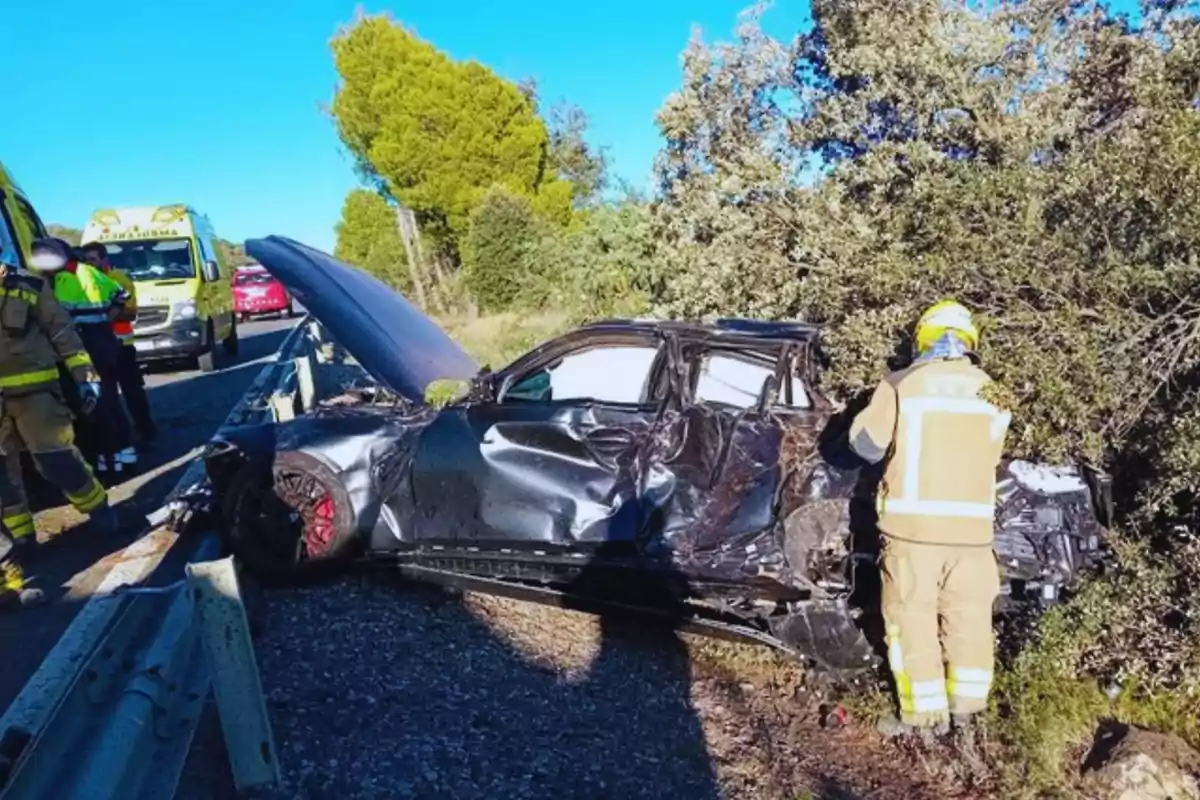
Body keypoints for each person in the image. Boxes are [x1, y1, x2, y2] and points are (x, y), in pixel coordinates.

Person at [847, 300, 1010, 739]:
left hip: (913, 533)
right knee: (969, 618)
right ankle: (968, 710)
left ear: (922, 338)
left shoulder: (902, 385)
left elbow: (865, 445)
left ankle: (921, 715)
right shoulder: (998, 392)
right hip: (975, 535)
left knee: (911, 618)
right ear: (972, 342)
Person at [0, 248, 121, 609]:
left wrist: (85, 377)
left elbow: (63, 333)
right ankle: (22, 542)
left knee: (56, 461)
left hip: (37, 395)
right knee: (2, 479)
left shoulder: (29, 285)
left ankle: (100, 512)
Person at [29, 238, 135, 476]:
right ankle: (123, 456)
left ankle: (110, 463)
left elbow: (56, 318)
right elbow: (121, 295)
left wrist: (88, 325)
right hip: (102, 345)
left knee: (95, 407)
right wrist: (103, 320)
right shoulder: (87, 271)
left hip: (88, 349)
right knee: (109, 402)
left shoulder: (62, 279)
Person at [78, 241, 157, 448]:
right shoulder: (82, 282)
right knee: (108, 397)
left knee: (133, 393)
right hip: (99, 349)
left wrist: (102, 316)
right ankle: (120, 440)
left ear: (104, 259)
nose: (89, 264)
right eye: (86, 260)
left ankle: (146, 432)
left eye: (93, 259)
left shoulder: (119, 279)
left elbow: (131, 312)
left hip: (122, 347)